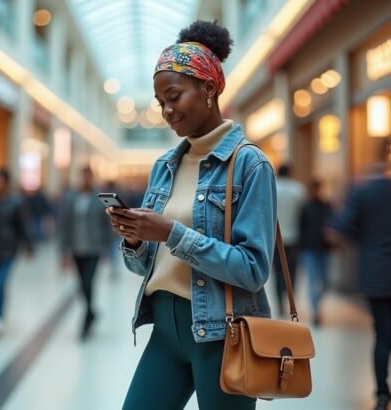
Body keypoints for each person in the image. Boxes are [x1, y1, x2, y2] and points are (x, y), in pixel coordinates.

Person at [106, 21, 276, 410]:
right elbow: (145, 266)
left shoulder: (249, 165)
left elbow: (253, 268)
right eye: (159, 101)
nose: (166, 111)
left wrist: (172, 234)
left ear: (210, 89)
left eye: (174, 96)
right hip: (165, 331)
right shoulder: (165, 165)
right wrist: (135, 239)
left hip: (222, 335)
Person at [332, 138, 391, 410]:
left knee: (382, 332)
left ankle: (382, 392)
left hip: (373, 273)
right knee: (390, 333)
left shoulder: (361, 192)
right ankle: (383, 388)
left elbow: (342, 228)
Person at [58, 167, 112, 339]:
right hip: (76, 248)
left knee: (88, 282)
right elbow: (64, 225)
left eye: (89, 177)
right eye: (84, 177)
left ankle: (85, 322)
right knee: (81, 285)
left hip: (93, 248)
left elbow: (107, 224)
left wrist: (106, 247)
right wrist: (63, 250)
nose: (86, 180)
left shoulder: (100, 199)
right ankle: (92, 312)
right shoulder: (71, 198)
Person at [0, 168, 33, 337]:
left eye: (1, 181)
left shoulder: (15, 203)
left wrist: (28, 246)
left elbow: (22, 225)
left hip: (9, 249)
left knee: (1, 282)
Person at [299, 179, 333, 326]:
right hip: (310, 249)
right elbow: (301, 228)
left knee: (326, 282)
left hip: (325, 249)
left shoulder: (327, 207)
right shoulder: (305, 207)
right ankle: (316, 311)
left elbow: (333, 224)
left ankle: (317, 302)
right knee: (313, 281)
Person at [274, 164, 306, 316]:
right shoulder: (298, 190)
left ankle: (279, 302)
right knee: (292, 271)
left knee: (277, 271)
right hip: (295, 237)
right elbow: (303, 215)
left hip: (275, 238)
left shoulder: (273, 188)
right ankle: (290, 300)